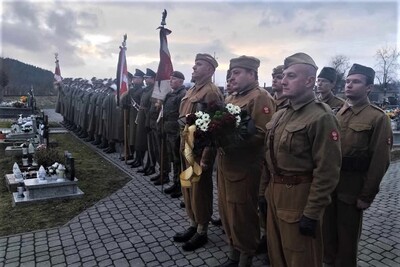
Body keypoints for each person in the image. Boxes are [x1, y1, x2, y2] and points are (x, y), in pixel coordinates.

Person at [264, 52, 342, 267]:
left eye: (291, 76)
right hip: (274, 192)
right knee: (277, 252)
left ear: (309, 81)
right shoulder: (280, 114)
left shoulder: (321, 116)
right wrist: (264, 192)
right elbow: (268, 156)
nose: (283, 81)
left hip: (299, 197)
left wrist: (312, 212)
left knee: (300, 256)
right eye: (283, 76)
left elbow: (327, 170)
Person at [322, 64, 392, 267]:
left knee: (346, 241)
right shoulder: (337, 112)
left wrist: (366, 195)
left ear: (369, 88)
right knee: (327, 237)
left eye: (356, 81)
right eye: (348, 81)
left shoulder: (377, 117)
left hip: (351, 190)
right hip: (329, 188)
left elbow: (380, 161)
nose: (349, 85)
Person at [217, 56, 276, 267]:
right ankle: (233, 251)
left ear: (252, 74)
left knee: (243, 214)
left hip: (245, 167)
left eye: (238, 72)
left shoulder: (260, 97)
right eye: (232, 73)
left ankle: (245, 257)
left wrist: (230, 141)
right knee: (227, 211)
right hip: (226, 165)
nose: (232, 76)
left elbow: (262, 134)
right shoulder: (232, 97)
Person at [173, 53, 223, 251]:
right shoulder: (192, 90)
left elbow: (215, 127)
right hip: (187, 146)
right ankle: (193, 223)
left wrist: (207, 156)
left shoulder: (211, 92)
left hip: (199, 151)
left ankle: (202, 230)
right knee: (188, 188)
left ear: (210, 70)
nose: (193, 68)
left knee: (200, 191)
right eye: (194, 64)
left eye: (199, 65)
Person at [162, 71, 187, 197]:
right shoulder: (171, 94)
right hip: (169, 130)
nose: (170, 81)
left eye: (173, 79)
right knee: (173, 159)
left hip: (176, 131)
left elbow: (181, 115)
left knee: (178, 160)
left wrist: (179, 133)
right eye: (170, 79)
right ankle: (175, 182)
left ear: (181, 81)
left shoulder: (182, 94)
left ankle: (180, 187)